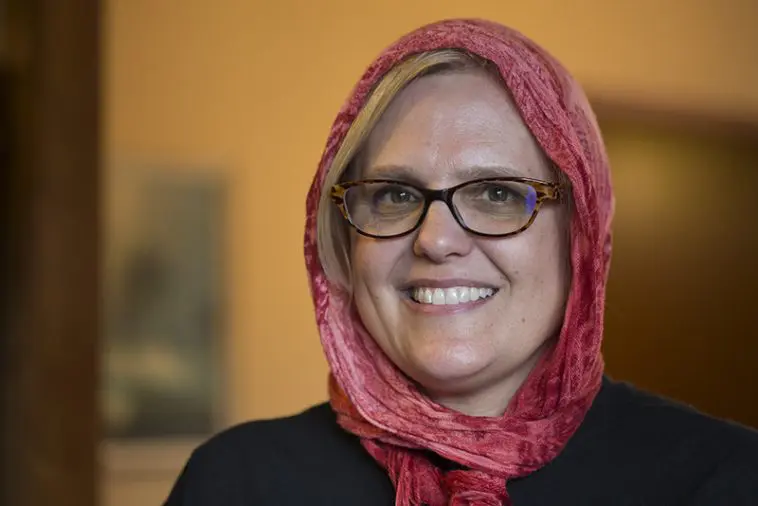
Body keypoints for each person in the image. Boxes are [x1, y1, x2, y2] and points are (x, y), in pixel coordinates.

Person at [164, 19, 758, 506]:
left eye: (496, 194)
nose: (436, 239)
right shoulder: (237, 483)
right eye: (395, 195)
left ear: (580, 232)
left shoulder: (726, 481)